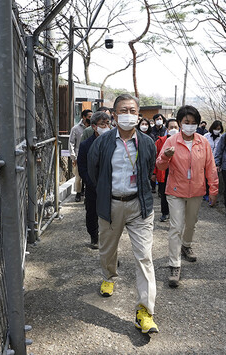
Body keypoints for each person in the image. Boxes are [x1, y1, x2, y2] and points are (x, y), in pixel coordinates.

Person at [87, 94, 159, 334]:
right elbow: (93, 172)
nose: (128, 114)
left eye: (132, 110)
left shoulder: (147, 142)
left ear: (138, 115)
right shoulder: (103, 142)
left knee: (144, 257)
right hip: (111, 205)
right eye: (123, 110)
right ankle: (108, 276)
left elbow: (148, 169)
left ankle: (145, 311)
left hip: (140, 206)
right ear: (114, 115)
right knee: (108, 250)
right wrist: (107, 193)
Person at [156, 105, 219, 288]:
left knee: (191, 223)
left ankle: (187, 245)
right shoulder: (171, 141)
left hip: (197, 191)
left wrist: (213, 189)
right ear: (180, 123)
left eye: (193, 123)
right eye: (186, 122)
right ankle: (174, 265)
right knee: (176, 227)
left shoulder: (203, 142)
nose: (190, 126)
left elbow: (210, 167)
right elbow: (160, 166)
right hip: (175, 191)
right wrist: (165, 157)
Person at [77, 111, 111, 249]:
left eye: (108, 123)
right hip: (93, 186)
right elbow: (82, 167)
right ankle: (94, 236)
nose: (106, 126)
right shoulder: (86, 145)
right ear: (94, 127)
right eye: (102, 124)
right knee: (92, 212)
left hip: (110, 185)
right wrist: (91, 183)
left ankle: (107, 238)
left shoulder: (113, 142)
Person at [152, 119, 179, 222]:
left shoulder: (182, 141)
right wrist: (154, 173)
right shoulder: (160, 141)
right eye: (171, 127)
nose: (173, 129)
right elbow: (155, 158)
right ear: (167, 129)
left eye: (175, 127)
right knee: (163, 193)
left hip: (177, 173)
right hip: (163, 171)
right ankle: (165, 212)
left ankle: (175, 215)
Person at [69, 109, 92, 202]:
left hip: (90, 156)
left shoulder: (93, 128)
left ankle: (87, 194)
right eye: (89, 117)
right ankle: (78, 193)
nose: (91, 118)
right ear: (84, 117)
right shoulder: (75, 129)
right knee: (78, 177)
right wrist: (73, 157)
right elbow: (71, 143)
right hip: (79, 156)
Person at [203, 120, 224, 203]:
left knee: (214, 179)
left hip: (216, 162)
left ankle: (213, 195)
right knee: (205, 178)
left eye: (219, 129)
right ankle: (205, 194)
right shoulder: (206, 136)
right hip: (205, 160)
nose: (217, 130)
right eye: (216, 128)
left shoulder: (222, 137)